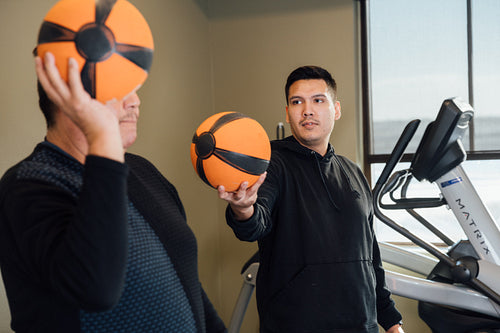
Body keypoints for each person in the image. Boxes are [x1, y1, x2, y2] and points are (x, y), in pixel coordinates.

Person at [0, 51, 227, 332]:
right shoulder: (28, 184)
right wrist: (103, 139)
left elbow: (189, 286)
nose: (135, 101)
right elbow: (96, 288)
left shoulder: (143, 171)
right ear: (67, 97)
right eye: (119, 89)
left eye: (133, 89)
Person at [218, 65, 404, 333]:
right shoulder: (272, 164)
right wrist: (243, 208)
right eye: (297, 102)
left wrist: (392, 322)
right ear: (288, 112)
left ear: (336, 109)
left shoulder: (352, 172)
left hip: (360, 326)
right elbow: (255, 223)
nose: (307, 110)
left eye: (318, 100)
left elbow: (370, 258)